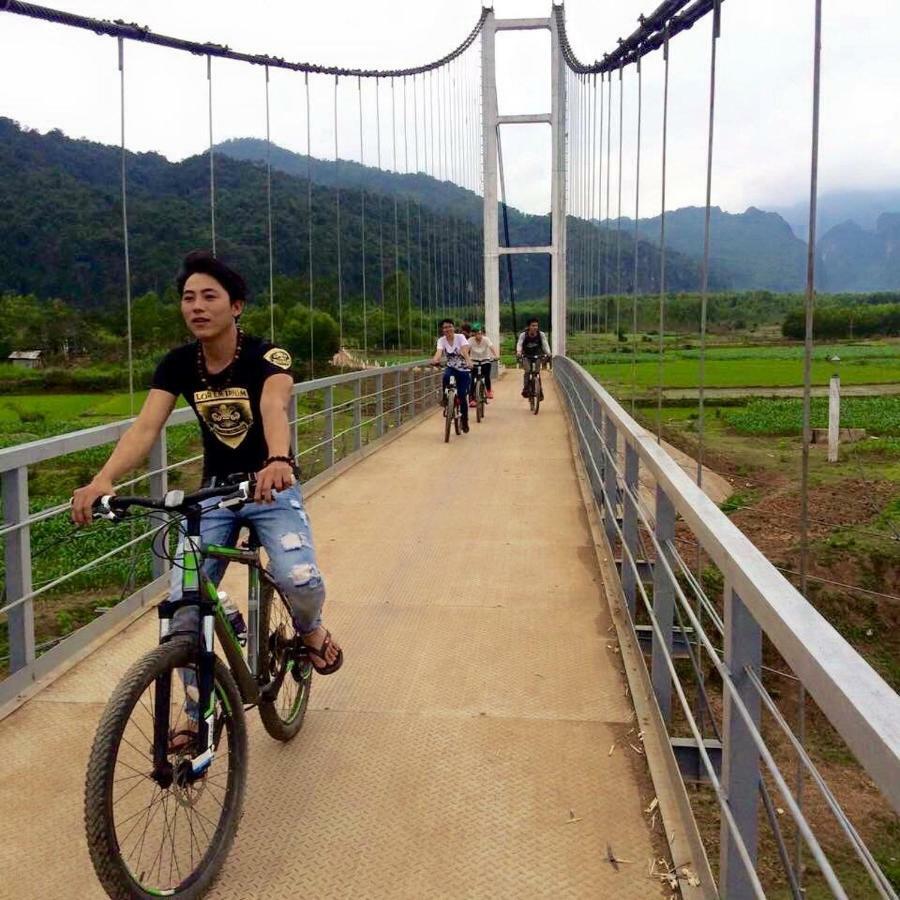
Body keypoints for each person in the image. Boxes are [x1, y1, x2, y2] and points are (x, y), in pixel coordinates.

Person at [72, 251, 343, 691]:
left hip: (269, 486)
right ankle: (195, 724)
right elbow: (145, 428)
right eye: (187, 298)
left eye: (209, 297)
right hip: (214, 492)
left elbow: (273, 404)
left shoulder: (266, 356)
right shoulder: (177, 364)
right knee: (183, 608)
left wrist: (278, 459)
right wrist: (104, 479)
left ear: (236, 306)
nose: (196, 306)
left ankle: (310, 629)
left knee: (300, 578)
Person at [431, 318, 471, 433]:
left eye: (449, 326)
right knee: (445, 376)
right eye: (444, 327)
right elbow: (439, 352)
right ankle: (445, 399)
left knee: (463, 396)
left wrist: (468, 360)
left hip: (463, 369)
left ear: (453, 327)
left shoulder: (460, 337)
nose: (447, 329)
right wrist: (435, 360)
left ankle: (464, 420)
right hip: (451, 368)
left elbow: (464, 350)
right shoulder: (441, 340)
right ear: (442, 330)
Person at [516, 318, 551, 397]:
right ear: (529, 326)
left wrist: (548, 353)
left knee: (537, 372)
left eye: (536, 325)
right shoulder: (523, 335)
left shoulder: (541, 334)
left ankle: (540, 391)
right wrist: (518, 351)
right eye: (533, 325)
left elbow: (545, 344)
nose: (535, 327)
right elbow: (519, 344)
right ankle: (526, 389)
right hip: (526, 356)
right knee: (527, 371)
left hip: (537, 355)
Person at [466, 321, 498, 406]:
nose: (478, 335)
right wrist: (467, 359)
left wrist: (495, 355)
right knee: (472, 379)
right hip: (474, 362)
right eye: (475, 333)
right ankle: (472, 399)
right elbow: (466, 350)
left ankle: (489, 391)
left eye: (479, 333)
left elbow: (491, 347)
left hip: (485, 360)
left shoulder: (486, 339)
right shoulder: (470, 340)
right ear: (473, 334)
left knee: (487, 376)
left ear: (482, 333)